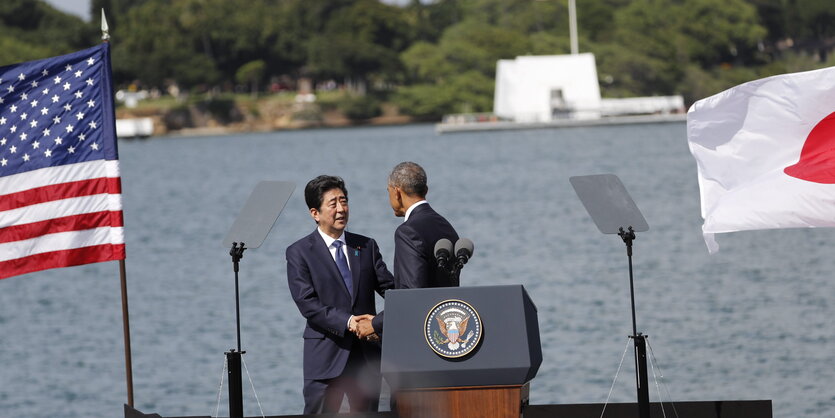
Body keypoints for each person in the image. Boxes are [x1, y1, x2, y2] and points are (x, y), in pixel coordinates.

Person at [286, 175, 394, 414]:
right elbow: (307, 304)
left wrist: (380, 323)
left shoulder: (366, 246)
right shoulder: (299, 253)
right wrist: (347, 322)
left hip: (366, 358)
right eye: (333, 203)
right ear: (315, 212)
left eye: (344, 201)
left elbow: (393, 291)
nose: (341, 209)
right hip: (325, 357)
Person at [356, 161, 459, 339]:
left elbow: (412, 294)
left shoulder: (407, 232)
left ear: (396, 192)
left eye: (388, 192)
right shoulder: (446, 226)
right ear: (425, 190)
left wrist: (375, 324)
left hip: (418, 336)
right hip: (445, 327)